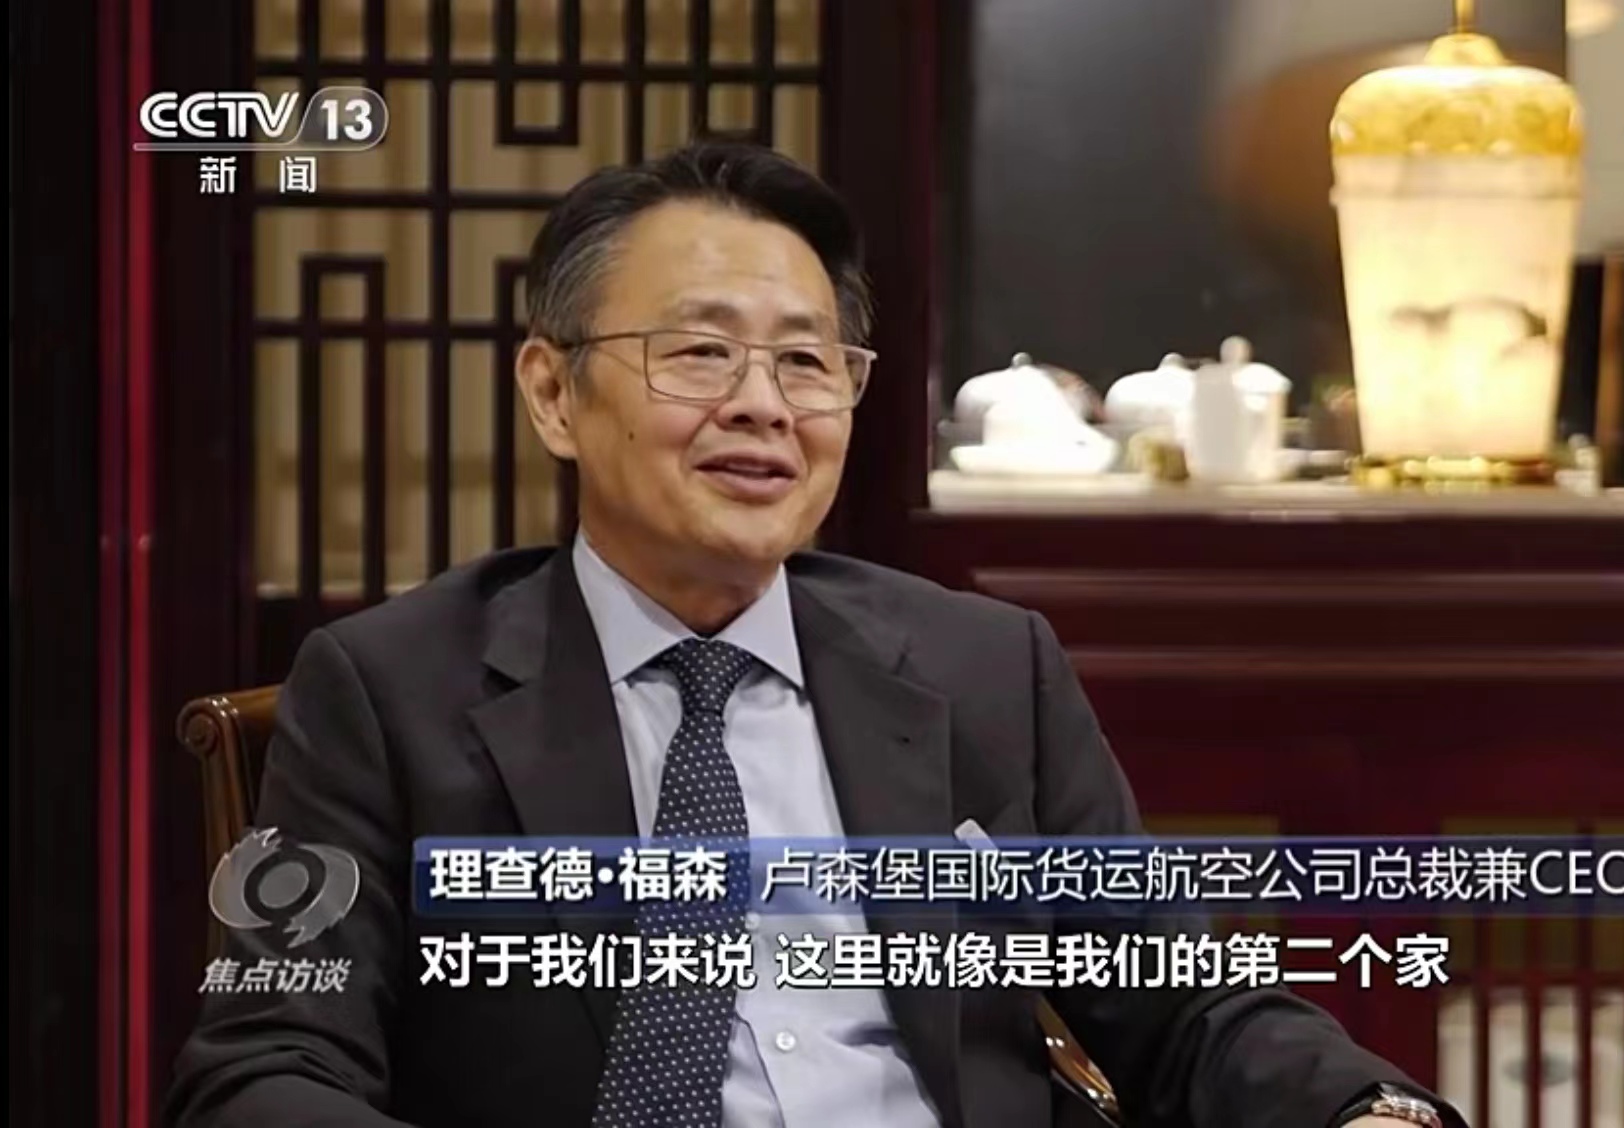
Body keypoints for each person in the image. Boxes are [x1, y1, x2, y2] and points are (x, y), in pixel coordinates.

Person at [167, 142, 1459, 1128]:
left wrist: (1369, 1112)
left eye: (806, 361)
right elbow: (267, 1066)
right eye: (698, 353)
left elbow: (1177, 1000)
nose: (763, 406)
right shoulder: (388, 689)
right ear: (553, 393)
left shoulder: (981, 668)